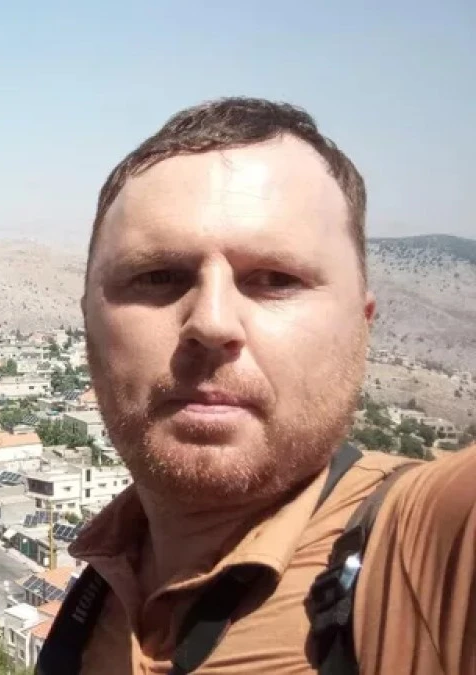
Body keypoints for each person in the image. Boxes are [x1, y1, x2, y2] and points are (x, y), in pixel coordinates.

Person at [38, 97, 475, 674]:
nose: (212, 323)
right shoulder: (97, 593)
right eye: (157, 276)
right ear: (88, 322)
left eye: (275, 279)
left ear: (362, 325)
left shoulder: (427, 550)